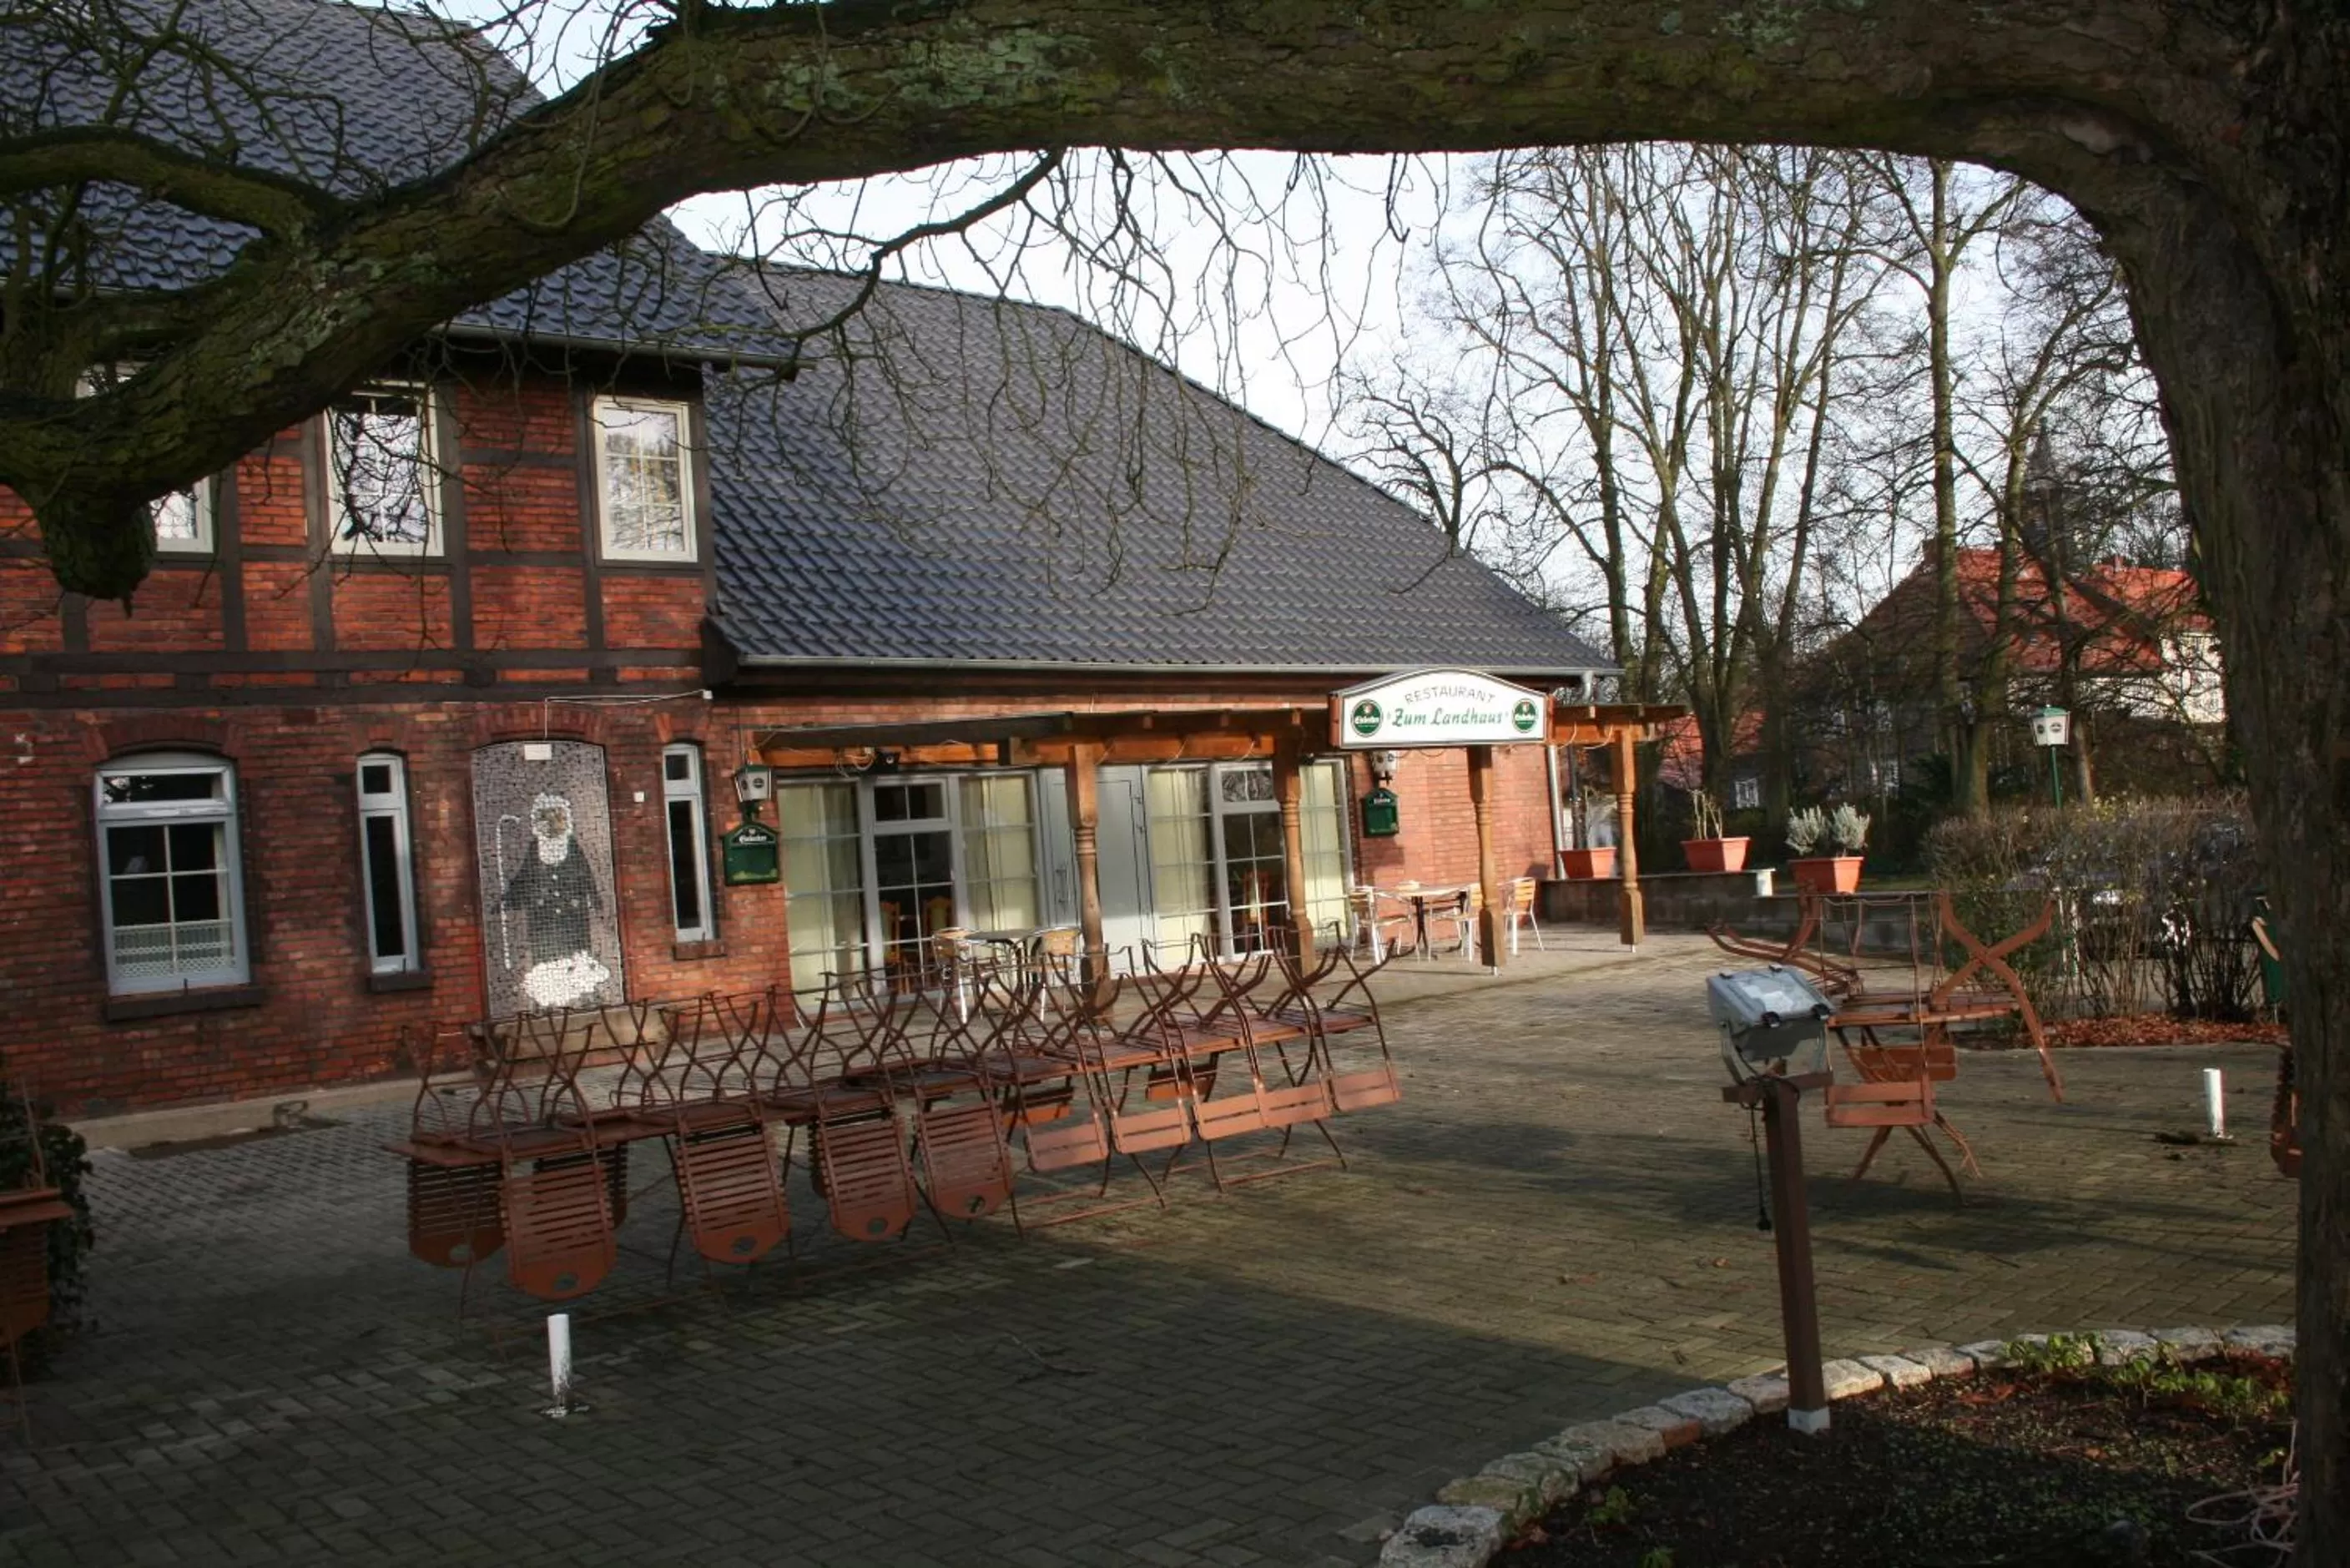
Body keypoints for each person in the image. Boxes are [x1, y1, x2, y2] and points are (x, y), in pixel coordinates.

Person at [502, 791, 612, 1008]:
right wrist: (510, 897)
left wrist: (593, 899)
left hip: (572, 915)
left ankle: (584, 993)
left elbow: (585, 874)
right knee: (546, 957)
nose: (549, 824)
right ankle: (548, 1000)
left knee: (576, 955)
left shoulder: (571, 847)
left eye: (554, 818)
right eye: (544, 819)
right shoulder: (536, 848)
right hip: (543, 916)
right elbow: (525, 876)